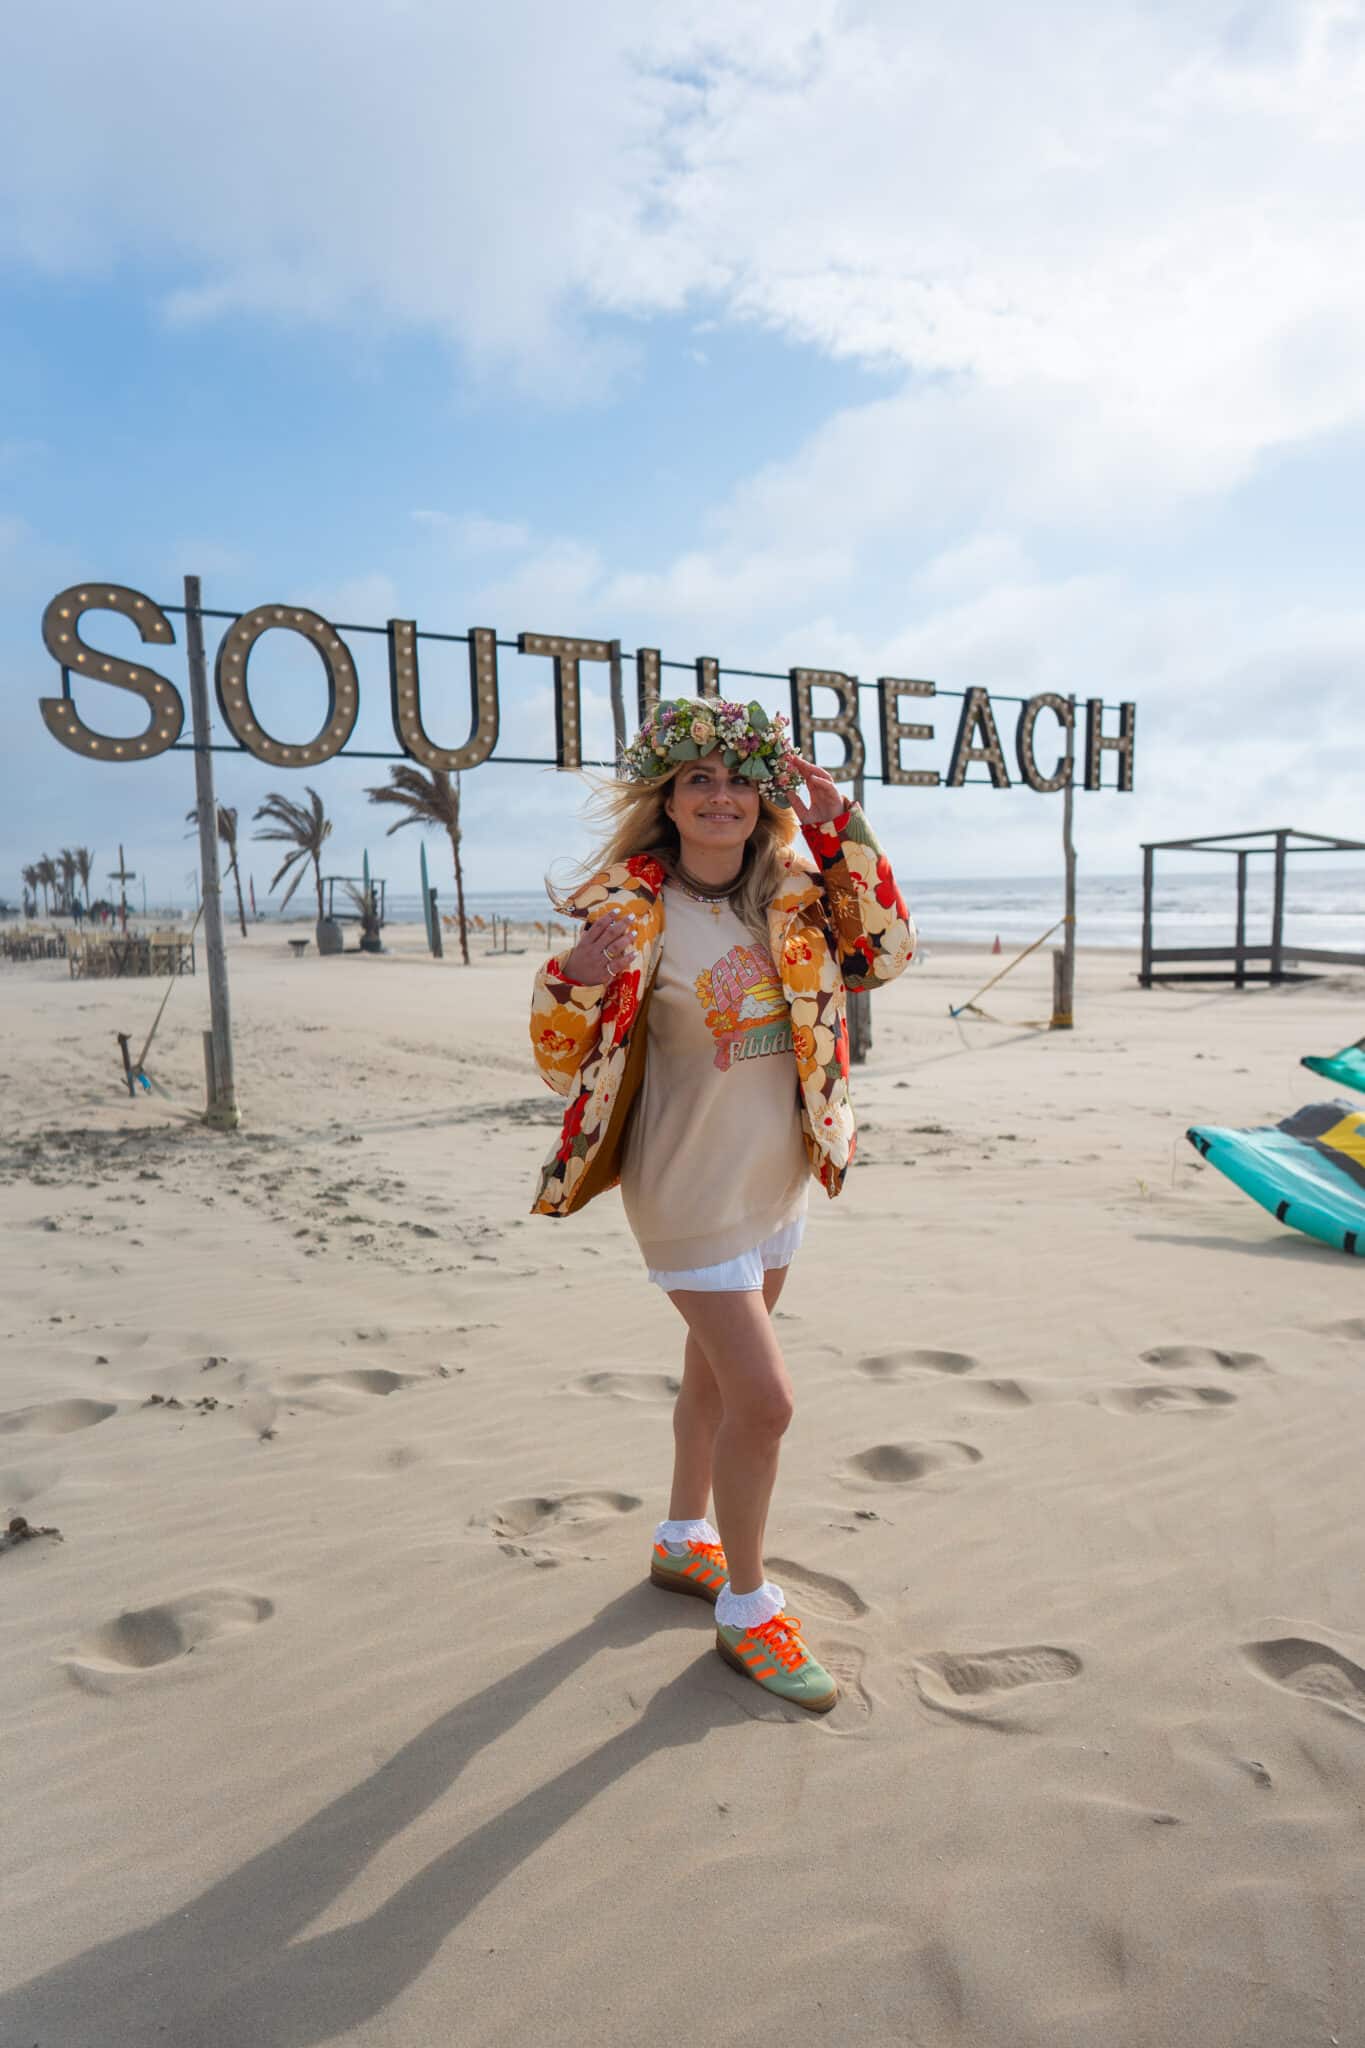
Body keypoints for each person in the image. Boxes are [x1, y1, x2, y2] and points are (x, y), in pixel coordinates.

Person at [529, 698, 914, 1711]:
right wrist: (572, 975)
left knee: (710, 1382)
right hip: (687, 1188)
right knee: (767, 1402)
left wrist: (841, 824)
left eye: (738, 778)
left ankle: (682, 1537)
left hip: (777, 1176)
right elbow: (559, 1058)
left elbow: (885, 955)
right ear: (667, 798)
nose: (720, 795)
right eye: (697, 779)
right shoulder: (633, 908)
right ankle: (747, 1607)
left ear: (761, 796)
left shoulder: (794, 887)